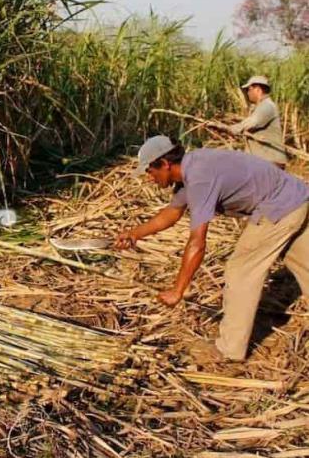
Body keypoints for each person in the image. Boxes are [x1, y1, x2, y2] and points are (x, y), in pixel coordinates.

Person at [116, 135, 309, 362]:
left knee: (241, 270)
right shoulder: (193, 168)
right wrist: (134, 234)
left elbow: (197, 243)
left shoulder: (199, 178)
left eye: (150, 170)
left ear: (165, 164)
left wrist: (178, 290)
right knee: (303, 262)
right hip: (297, 198)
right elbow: (172, 213)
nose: (149, 178)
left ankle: (229, 350)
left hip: (278, 205)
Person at [229, 75, 288, 168]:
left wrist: (232, 129)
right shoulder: (260, 106)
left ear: (258, 89)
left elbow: (252, 122)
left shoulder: (267, 106)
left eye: (249, 89)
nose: (248, 93)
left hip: (270, 162)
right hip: (263, 161)